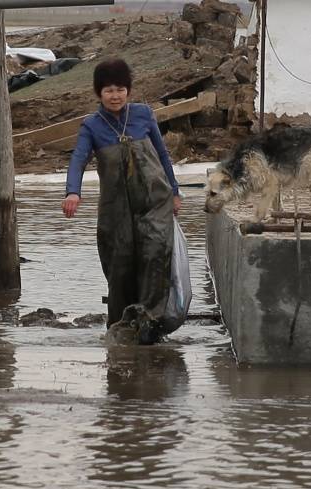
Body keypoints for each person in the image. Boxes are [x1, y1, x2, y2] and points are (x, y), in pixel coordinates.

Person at [62, 58, 182, 344]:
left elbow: (163, 155)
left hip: (154, 201)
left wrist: (175, 191)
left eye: (120, 89)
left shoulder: (143, 115)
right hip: (116, 209)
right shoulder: (92, 125)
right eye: (108, 90)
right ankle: (121, 323)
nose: (115, 96)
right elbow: (78, 159)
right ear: (99, 93)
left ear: (128, 90)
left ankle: (151, 320)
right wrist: (72, 191)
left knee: (155, 255)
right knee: (120, 263)